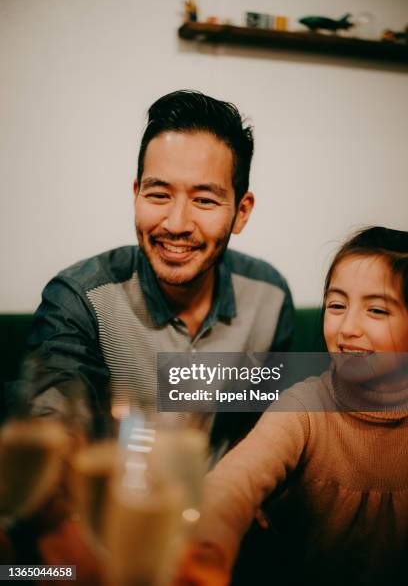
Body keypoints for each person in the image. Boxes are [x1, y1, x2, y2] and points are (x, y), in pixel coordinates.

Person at [10, 90, 294, 450]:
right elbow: (51, 435)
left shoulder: (269, 297)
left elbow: (261, 433)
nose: (176, 223)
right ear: (136, 194)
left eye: (204, 200)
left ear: (241, 211)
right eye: (158, 194)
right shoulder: (80, 299)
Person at [181, 226, 408, 585]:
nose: (348, 327)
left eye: (376, 310)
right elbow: (234, 481)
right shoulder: (303, 407)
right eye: (336, 305)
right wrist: (208, 541)